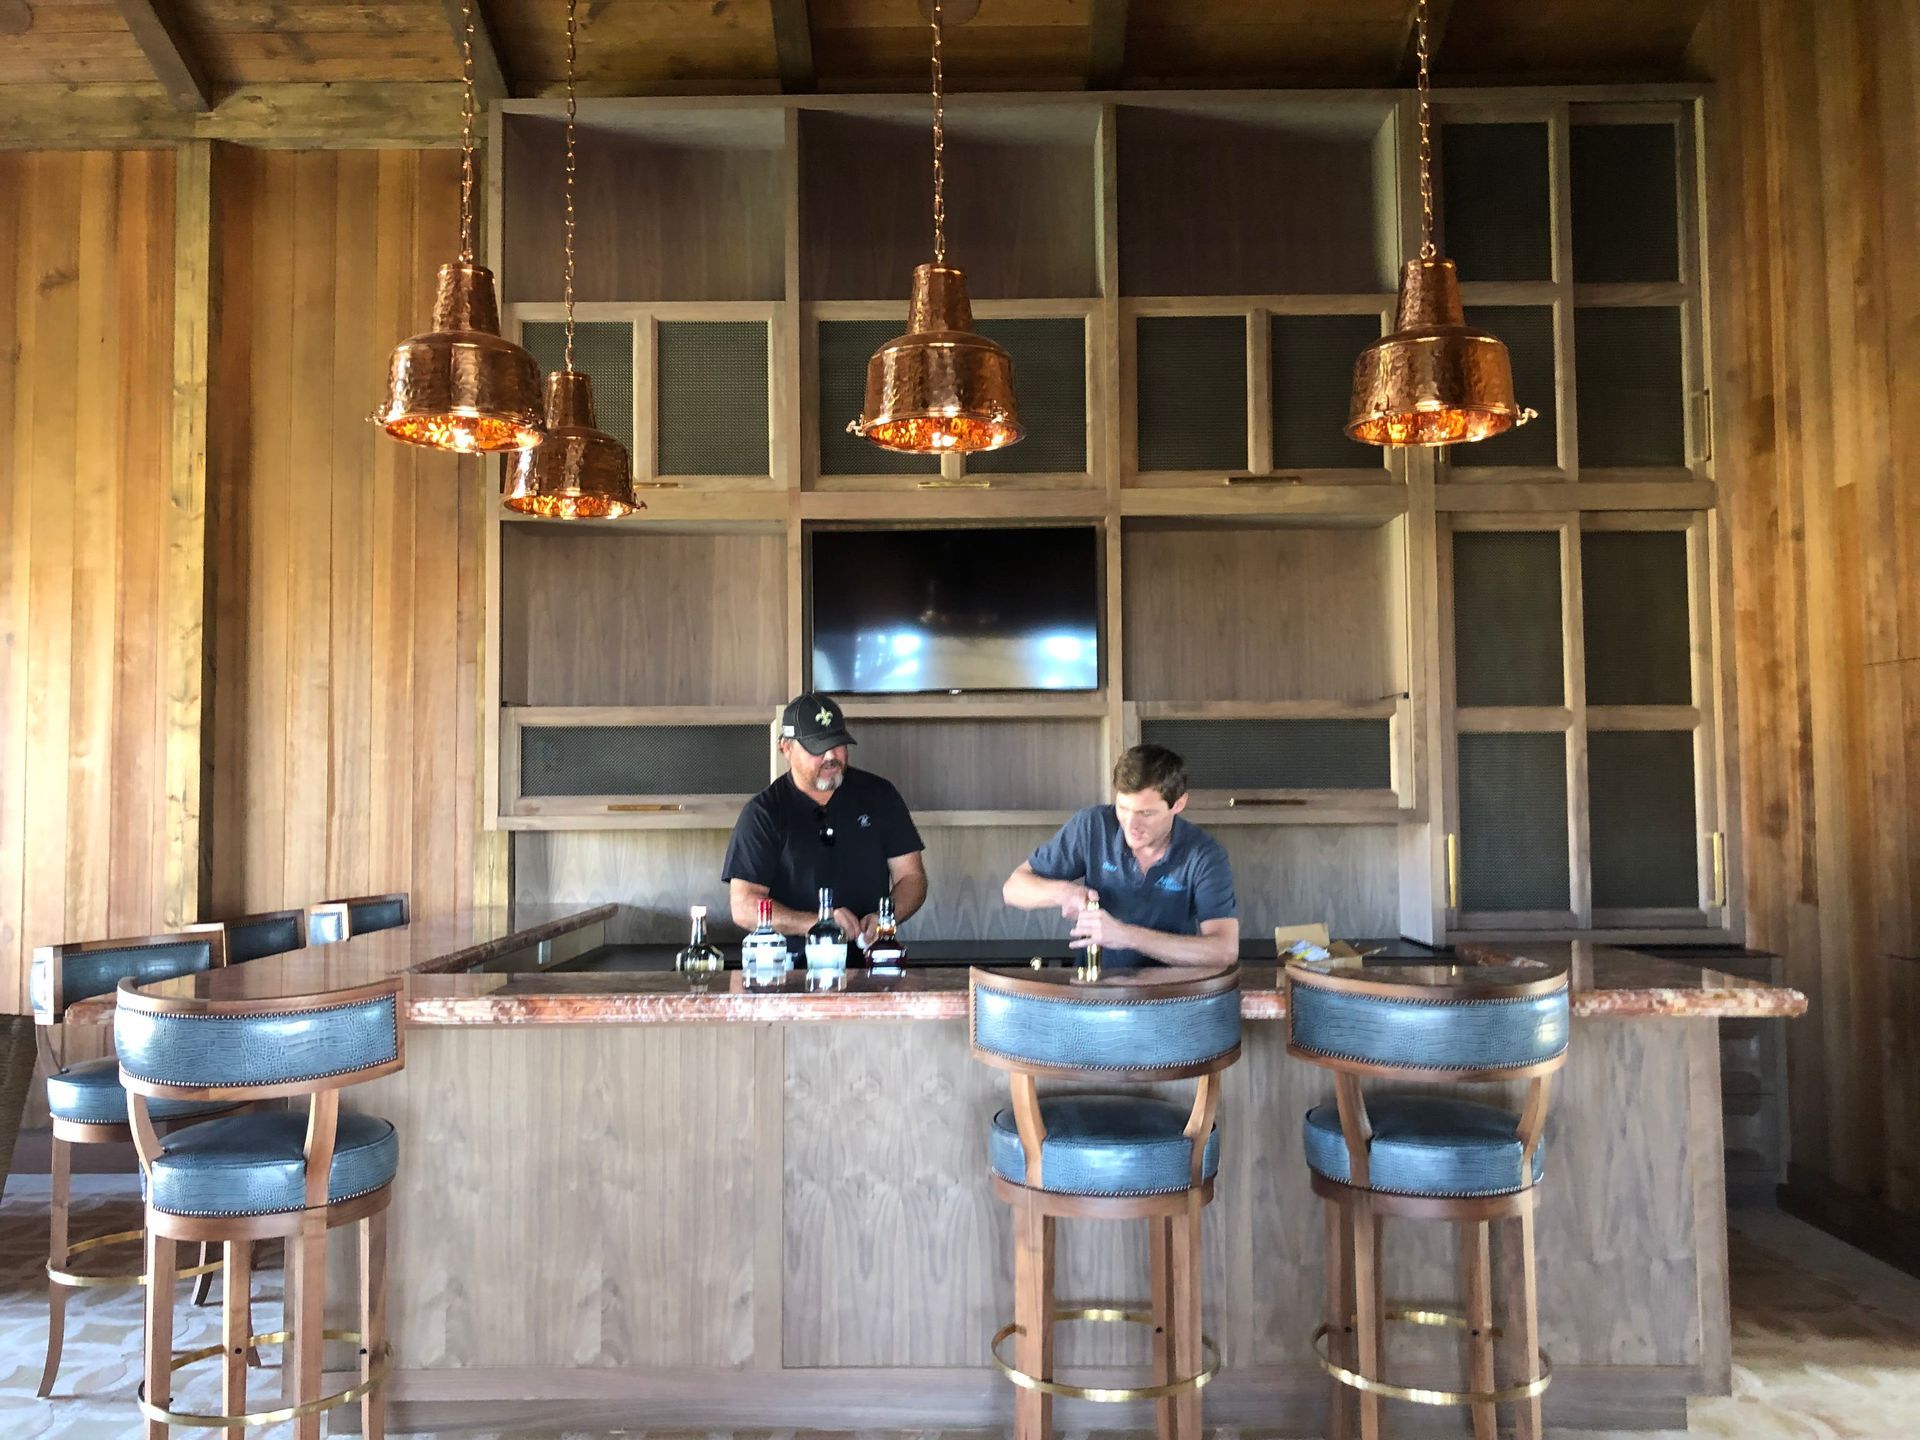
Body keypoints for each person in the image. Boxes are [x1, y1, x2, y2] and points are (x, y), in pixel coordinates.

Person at [1002, 743, 1237, 968]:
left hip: (1171, 990)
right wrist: (1063, 893)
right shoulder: (1092, 825)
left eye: (1146, 813)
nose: (1131, 825)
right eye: (1123, 808)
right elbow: (1013, 889)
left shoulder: (1204, 854)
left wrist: (1126, 936)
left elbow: (1224, 950)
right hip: (1096, 985)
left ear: (1178, 804)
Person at [722, 693, 928, 947]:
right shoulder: (763, 813)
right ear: (786, 747)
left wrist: (885, 917)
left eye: (838, 743)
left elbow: (911, 877)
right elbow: (744, 906)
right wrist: (819, 924)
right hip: (790, 963)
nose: (831, 756)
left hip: (868, 958)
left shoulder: (880, 796)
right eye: (817, 747)